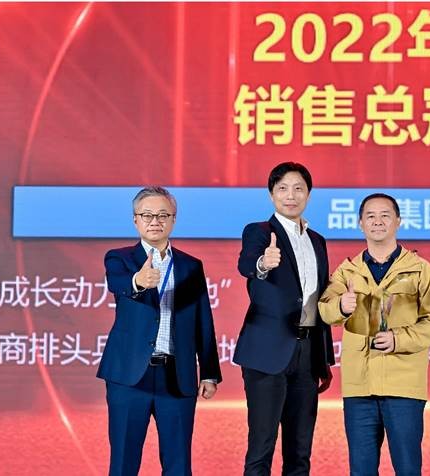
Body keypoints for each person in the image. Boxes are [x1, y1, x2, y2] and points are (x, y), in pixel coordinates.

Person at [319, 193, 430, 476]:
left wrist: (398, 339)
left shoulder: (419, 269)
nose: (378, 222)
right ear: (360, 223)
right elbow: (325, 310)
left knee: (408, 469)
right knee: (361, 470)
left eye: (385, 215)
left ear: (398, 221)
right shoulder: (347, 271)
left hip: (404, 387)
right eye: (371, 216)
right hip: (359, 388)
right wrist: (341, 306)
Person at [97, 186, 221, 476]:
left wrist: (209, 372)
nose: (155, 221)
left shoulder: (191, 266)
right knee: (123, 463)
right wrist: (138, 281)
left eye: (163, 215)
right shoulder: (119, 258)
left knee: (179, 465)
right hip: (129, 377)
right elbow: (117, 283)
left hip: (176, 377)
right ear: (135, 220)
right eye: (147, 215)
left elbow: (203, 319)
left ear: (173, 220)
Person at [233, 162, 335, 476]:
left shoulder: (317, 241)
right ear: (271, 194)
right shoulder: (259, 232)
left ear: (308, 194)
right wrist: (263, 263)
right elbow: (247, 264)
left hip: (307, 353)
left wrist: (323, 359)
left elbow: (320, 297)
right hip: (267, 353)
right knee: (261, 447)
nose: (291, 196)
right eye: (283, 189)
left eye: (298, 189)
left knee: (300, 451)